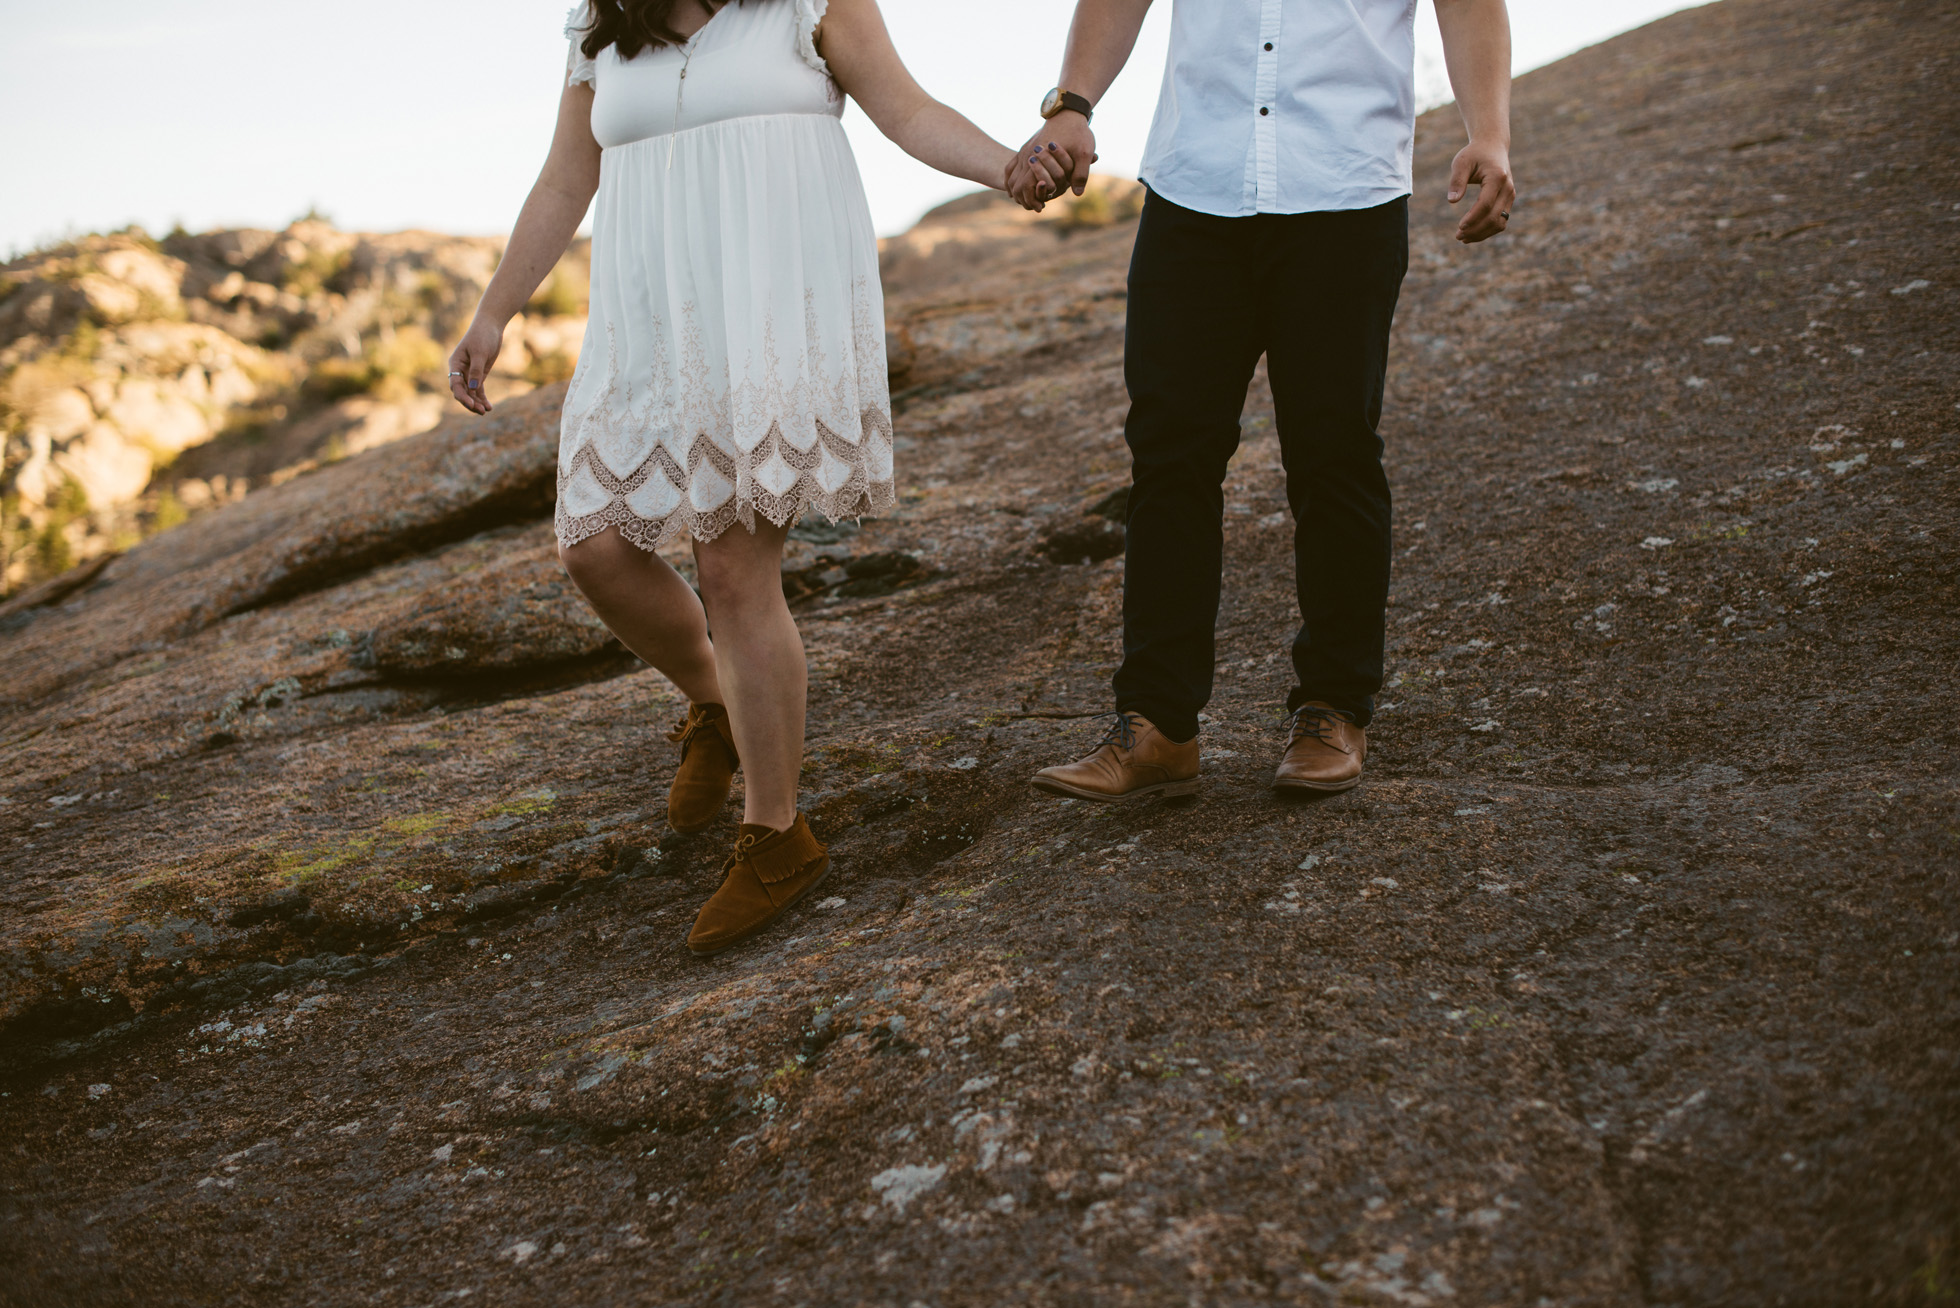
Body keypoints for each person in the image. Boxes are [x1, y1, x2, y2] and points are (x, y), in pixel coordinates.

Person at [446, 0, 1017, 954]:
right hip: (650, 320)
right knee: (594, 548)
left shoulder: (807, 4)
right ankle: (716, 700)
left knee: (732, 571)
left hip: (769, 317)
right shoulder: (600, 28)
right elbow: (563, 178)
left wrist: (1007, 166)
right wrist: (494, 312)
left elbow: (909, 114)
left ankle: (776, 831)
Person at [1010, 0, 1517, 801]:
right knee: (1169, 456)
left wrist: (1487, 131)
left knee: (1334, 453)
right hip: (1193, 186)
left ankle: (1334, 706)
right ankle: (1157, 726)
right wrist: (1072, 104)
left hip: (1343, 188)